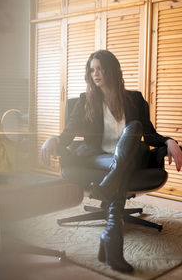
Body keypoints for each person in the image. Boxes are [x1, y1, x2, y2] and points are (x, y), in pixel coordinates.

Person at [41, 50, 182, 273]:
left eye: (100, 68)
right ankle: (111, 235)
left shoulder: (134, 99)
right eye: (92, 70)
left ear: (111, 70)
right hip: (99, 158)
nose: (95, 74)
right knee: (122, 165)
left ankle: (111, 231)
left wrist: (170, 140)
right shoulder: (85, 102)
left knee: (134, 129)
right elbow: (67, 134)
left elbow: (150, 134)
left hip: (126, 159)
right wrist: (54, 139)